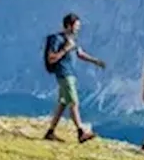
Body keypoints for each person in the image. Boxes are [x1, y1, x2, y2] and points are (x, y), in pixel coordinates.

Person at [43, 12, 105, 143]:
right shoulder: (57, 39)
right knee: (74, 102)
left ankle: (50, 132)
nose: (78, 28)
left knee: (63, 103)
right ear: (68, 26)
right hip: (64, 74)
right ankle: (81, 132)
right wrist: (65, 49)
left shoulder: (72, 40)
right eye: (76, 26)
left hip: (70, 74)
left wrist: (96, 61)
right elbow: (51, 58)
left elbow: (80, 54)